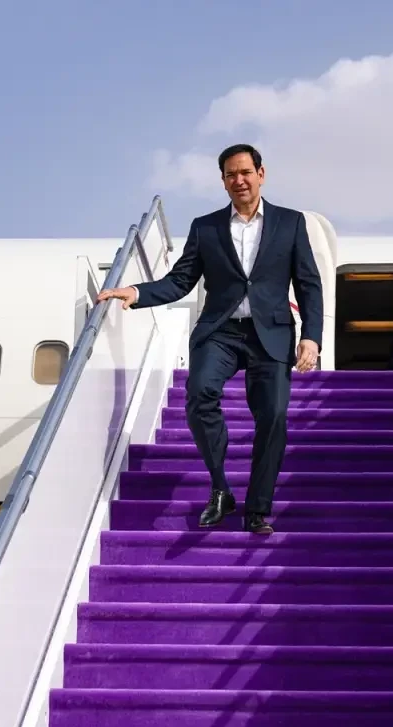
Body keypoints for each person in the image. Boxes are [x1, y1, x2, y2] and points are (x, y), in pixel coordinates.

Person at [98, 143, 324, 535]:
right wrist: (136, 292)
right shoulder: (206, 227)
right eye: (230, 174)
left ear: (261, 174)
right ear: (222, 181)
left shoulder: (290, 223)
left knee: (273, 416)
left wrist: (312, 337)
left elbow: (308, 283)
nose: (239, 180)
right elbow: (180, 280)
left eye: (245, 172)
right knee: (200, 394)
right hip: (220, 330)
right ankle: (221, 488)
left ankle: (258, 509)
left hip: (270, 332)